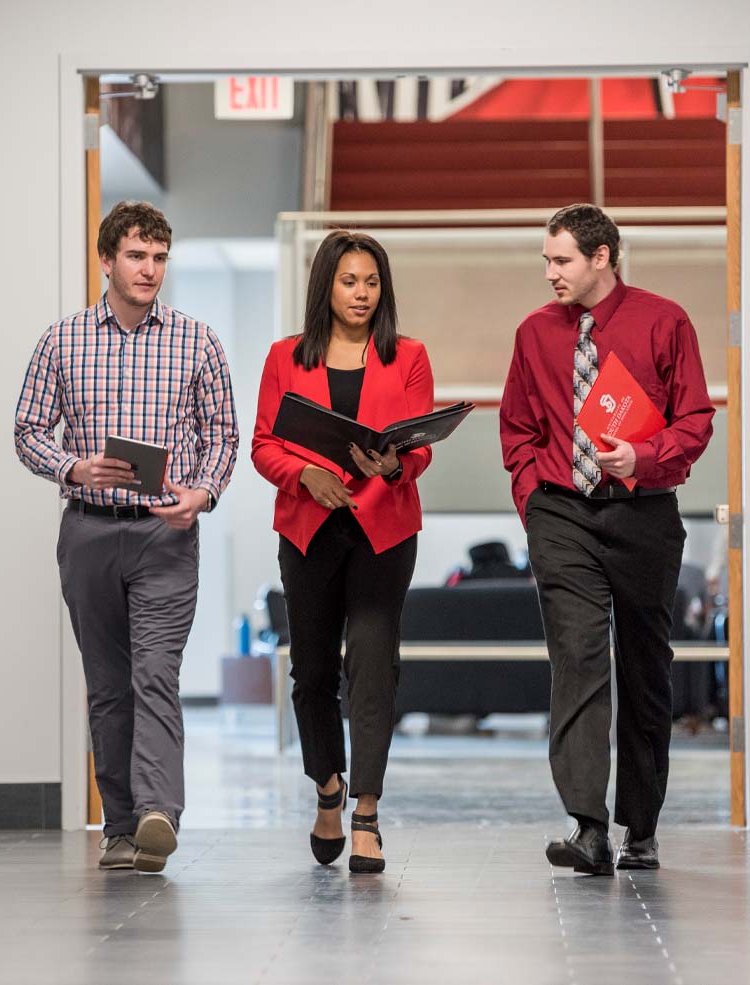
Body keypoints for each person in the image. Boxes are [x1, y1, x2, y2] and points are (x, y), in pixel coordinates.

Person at [15, 201, 238, 873]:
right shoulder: (62, 340)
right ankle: (119, 827)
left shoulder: (197, 340)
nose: (150, 269)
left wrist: (202, 492)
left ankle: (159, 812)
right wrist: (71, 465)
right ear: (106, 259)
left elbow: (225, 435)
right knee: (108, 684)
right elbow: (27, 430)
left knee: (155, 674)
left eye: (160, 257)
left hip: (165, 536)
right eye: (138, 256)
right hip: (87, 530)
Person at [499, 204, 714, 875]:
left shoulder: (664, 320)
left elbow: (696, 420)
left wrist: (642, 458)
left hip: (643, 511)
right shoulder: (534, 333)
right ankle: (588, 825)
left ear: (601, 257)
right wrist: (534, 500)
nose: (549, 272)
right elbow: (518, 429)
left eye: (561, 260)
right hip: (562, 513)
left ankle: (640, 826)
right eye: (546, 259)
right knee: (577, 657)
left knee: (645, 667)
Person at [252, 230, 434, 874]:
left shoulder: (407, 355)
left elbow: (420, 446)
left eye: (372, 282)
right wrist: (305, 476)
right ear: (325, 286)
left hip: (384, 531)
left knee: (375, 668)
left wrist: (394, 463)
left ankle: (365, 814)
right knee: (313, 673)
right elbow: (264, 445)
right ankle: (327, 788)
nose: (361, 293)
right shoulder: (285, 357)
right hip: (309, 528)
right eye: (349, 281)